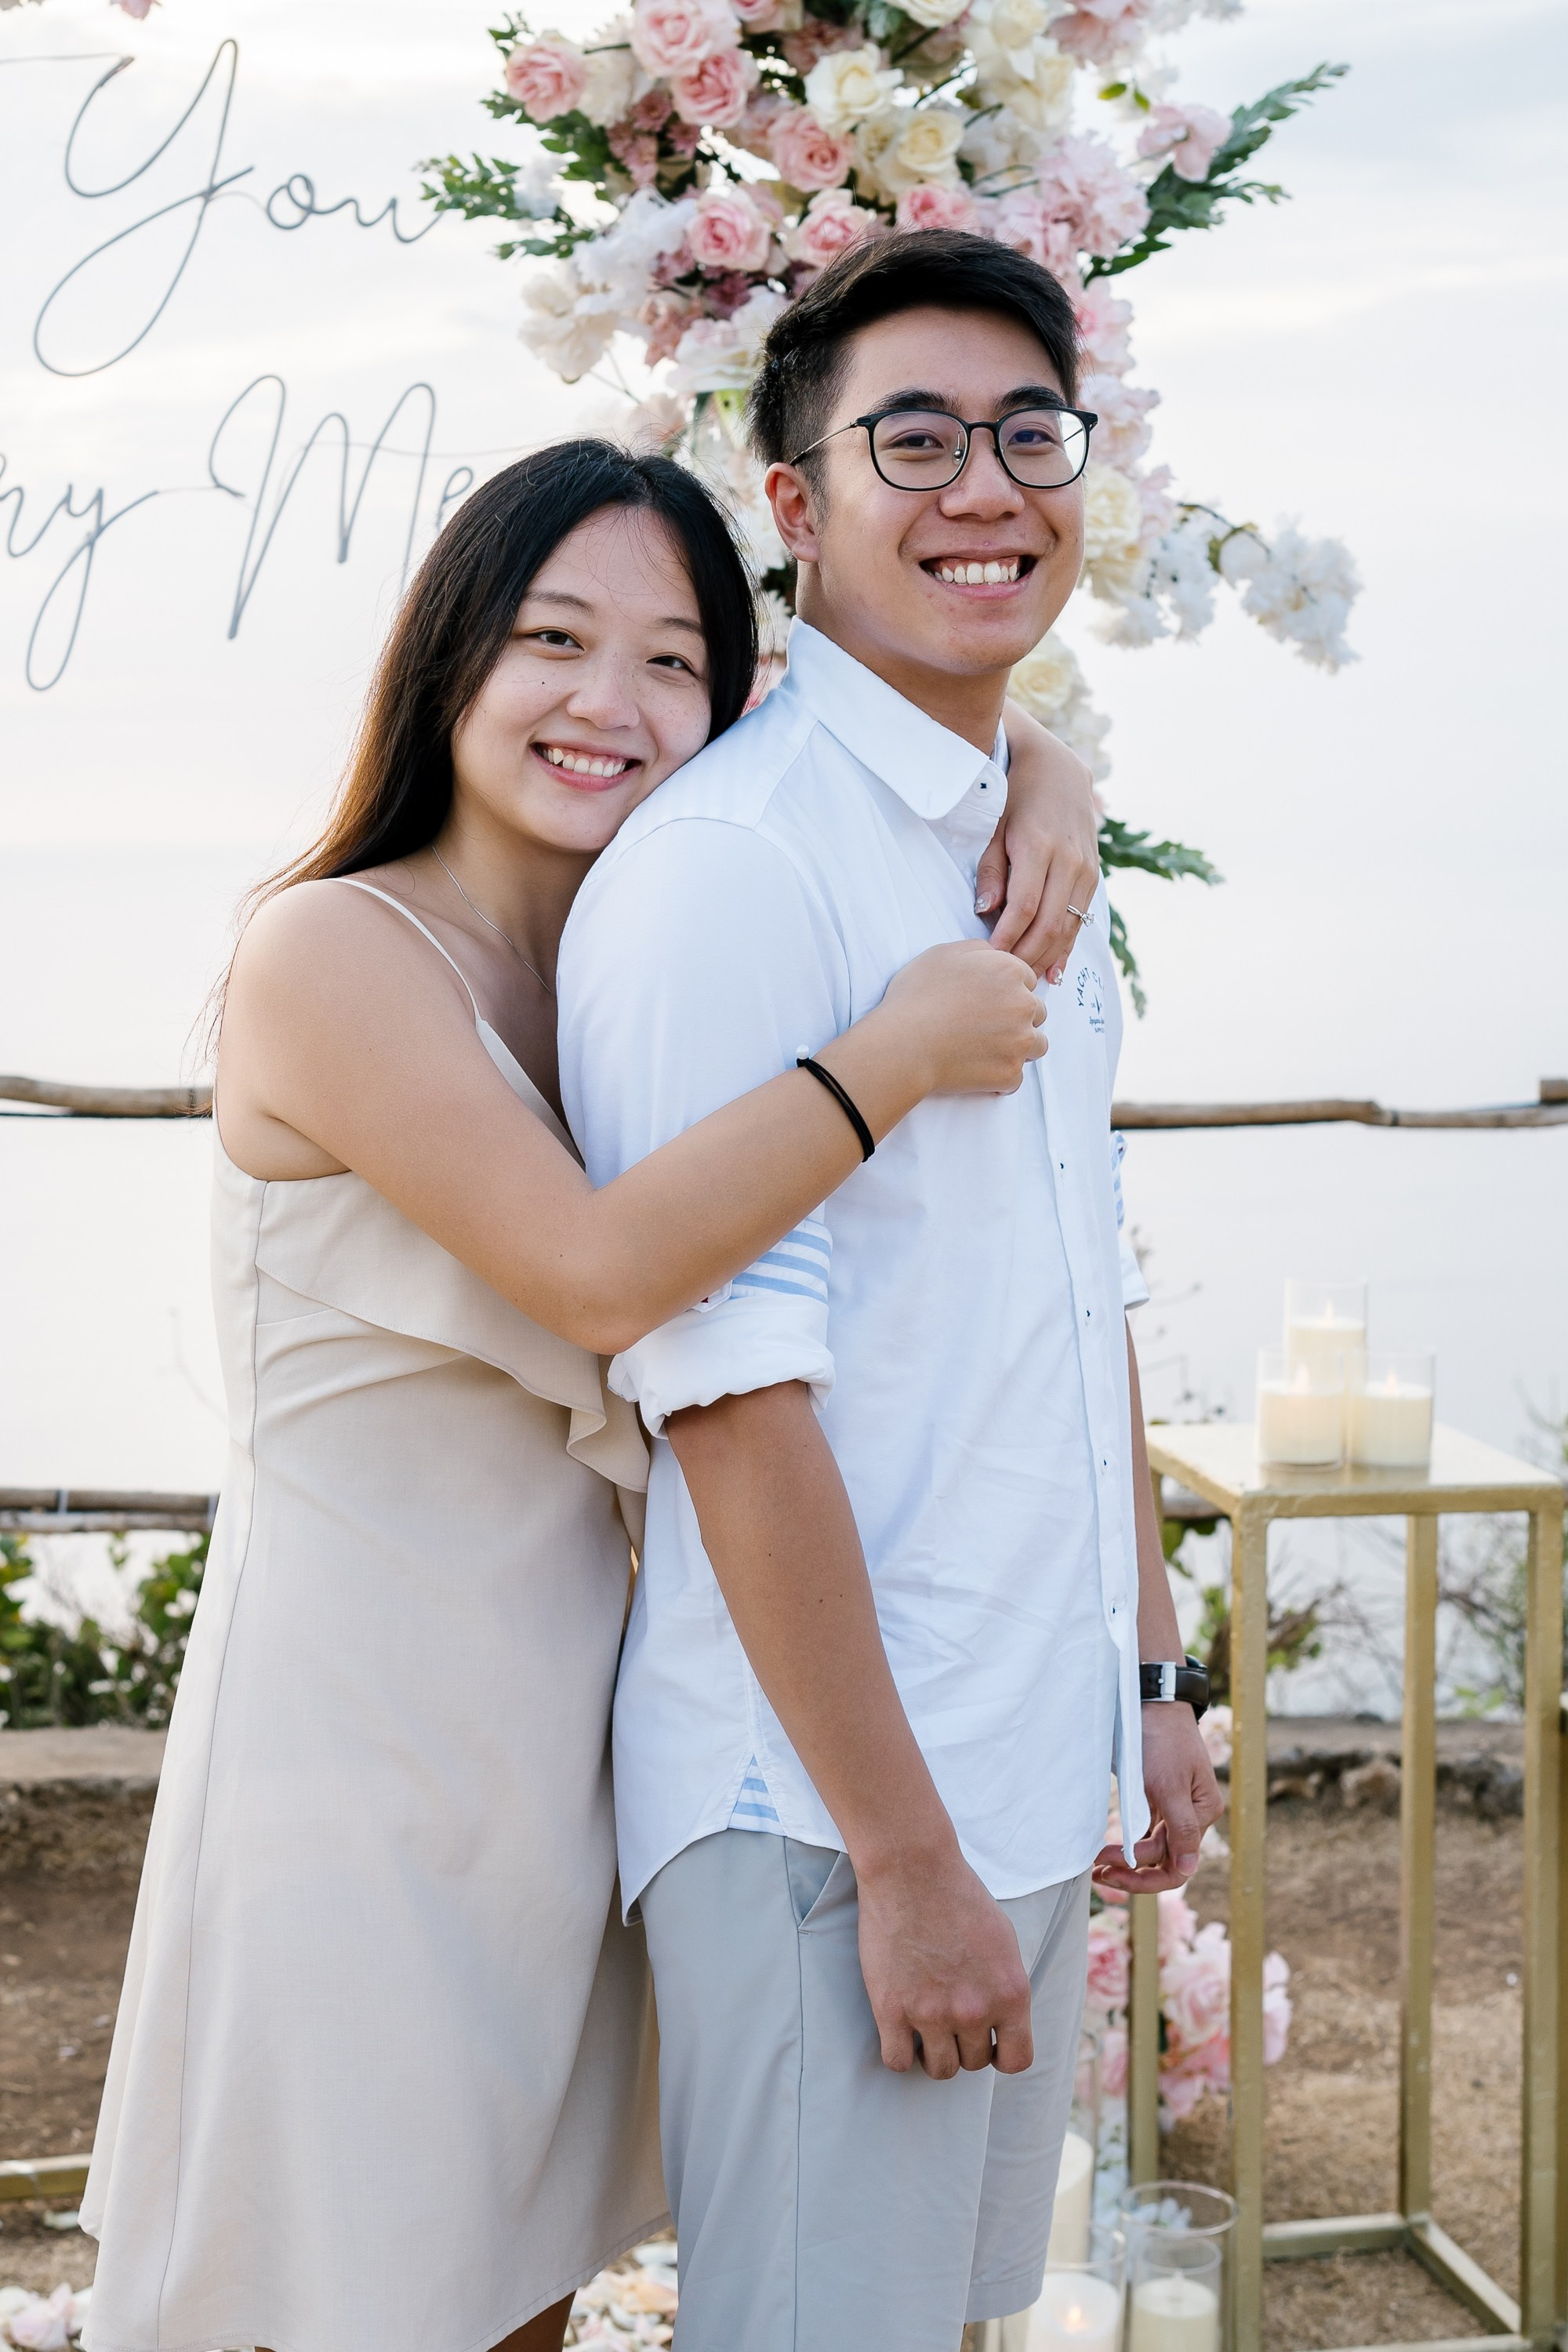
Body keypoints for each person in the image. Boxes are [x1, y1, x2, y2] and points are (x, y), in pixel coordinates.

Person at [79, 437, 1100, 2352]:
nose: (606, 705)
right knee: (352, 2292)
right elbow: (605, 1272)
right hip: (363, 1758)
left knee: (513, 2297)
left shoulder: (614, 957)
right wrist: (891, 1054)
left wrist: (1044, 761)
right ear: (451, 655)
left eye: (670, 665)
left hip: (573, 1761)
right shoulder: (334, 950)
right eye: (552, 640)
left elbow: (886, 744)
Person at [556, 234, 1227, 2352]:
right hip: (830, 1821)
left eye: (1032, 433)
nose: (984, 487)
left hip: (1018, 1771)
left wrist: (1141, 1676)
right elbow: (728, 1395)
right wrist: (905, 1854)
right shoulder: (737, 867)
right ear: (791, 504)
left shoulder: (1021, 850)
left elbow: (1068, 1289)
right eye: (910, 438)